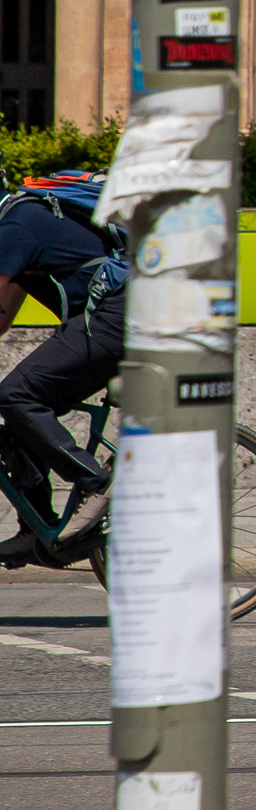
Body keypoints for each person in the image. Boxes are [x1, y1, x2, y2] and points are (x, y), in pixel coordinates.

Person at [0, 173, 125, 566]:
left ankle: (97, 483)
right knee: (21, 412)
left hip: (118, 317)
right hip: (121, 315)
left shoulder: (15, 229)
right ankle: (36, 529)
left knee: (15, 395)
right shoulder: (22, 222)